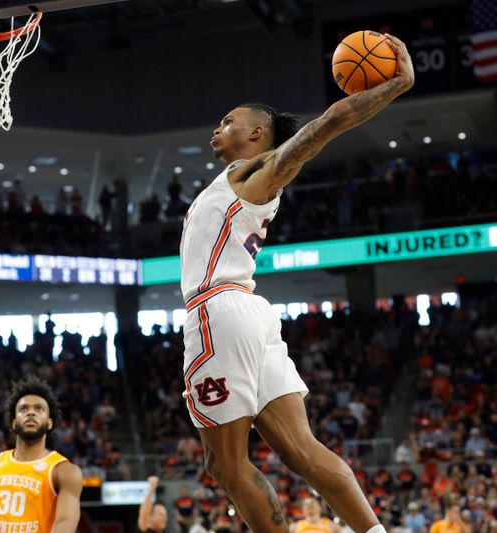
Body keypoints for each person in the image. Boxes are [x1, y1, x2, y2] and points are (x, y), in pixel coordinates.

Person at [178, 32, 414, 533]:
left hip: (219, 311)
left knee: (224, 464)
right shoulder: (243, 179)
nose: (217, 129)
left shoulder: (252, 174)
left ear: (258, 135)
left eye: (229, 122)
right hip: (250, 312)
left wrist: (398, 83)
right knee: (301, 451)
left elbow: (327, 124)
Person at [0, 376, 82, 533]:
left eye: (39, 409)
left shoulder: (63, 471)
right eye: (23, 409)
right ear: (13, 422)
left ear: (50, 423)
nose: (31, 413)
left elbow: (64, 525)